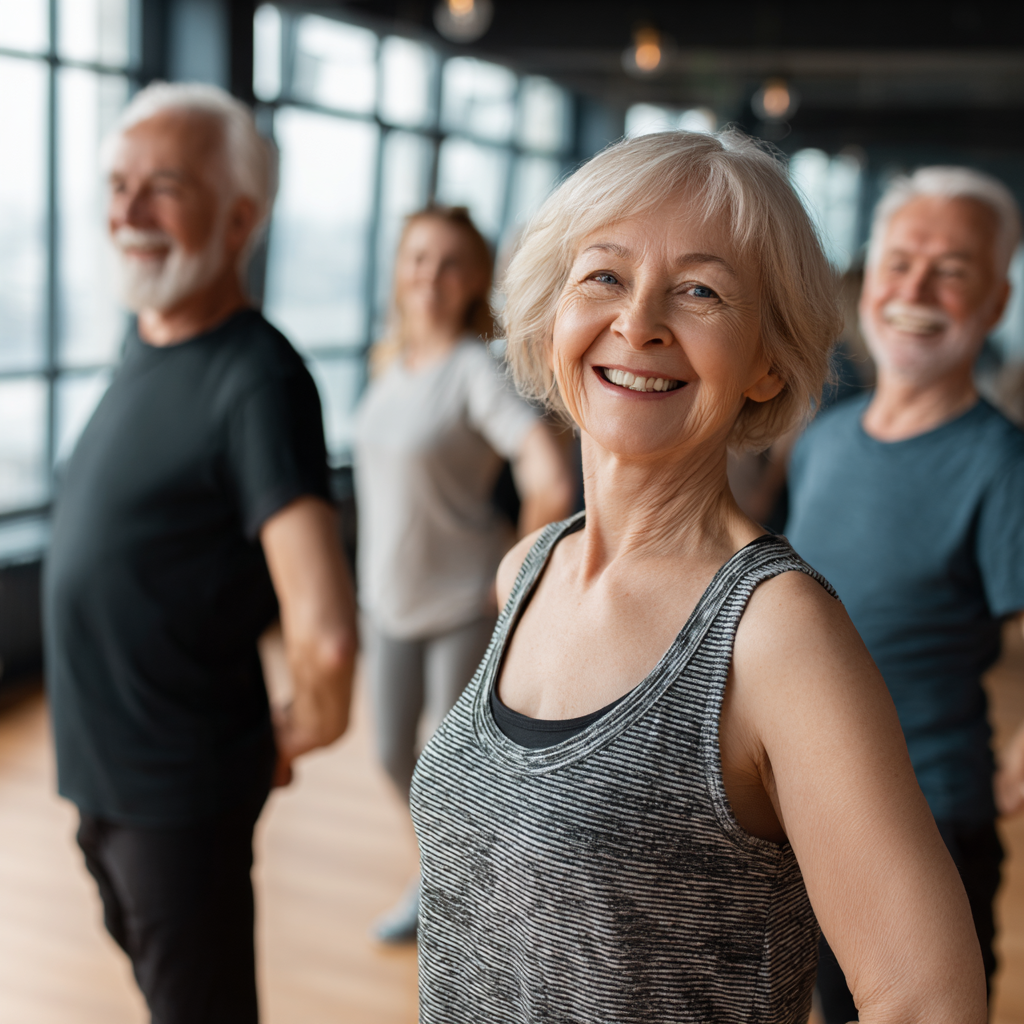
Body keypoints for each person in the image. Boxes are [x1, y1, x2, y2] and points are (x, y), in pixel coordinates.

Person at [409, 130, 986, 1024]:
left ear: (766, 360)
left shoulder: (775, 634)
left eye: (700, 291)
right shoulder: (527, 571)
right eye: (602, 276)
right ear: (550, 310)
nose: (638, 323)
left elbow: (928, 999)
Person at [43, 83, 358, 1024]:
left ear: (239, 219)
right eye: (118, 184)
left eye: (163, 187)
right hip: (106, 773)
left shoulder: (257, 379)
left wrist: (294, 731)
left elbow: (328, 635)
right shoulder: (141, 342)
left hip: (179, 789)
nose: (128, 212)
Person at [785, 166, 1024, 1022]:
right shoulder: (825, 440)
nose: (916, 288)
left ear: (995, 303)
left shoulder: (1001, 464)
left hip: (931, 814)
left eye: (951, 270)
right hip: (810, 810)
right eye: (898, 262)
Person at [353, 204, 575, 942]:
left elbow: (547, 477)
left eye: (450, 262)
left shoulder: (475, 370)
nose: (430, 276)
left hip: (458, 601)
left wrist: (516, 573)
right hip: (387, 600)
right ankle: (443, 874)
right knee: (392, 754)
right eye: (417, 258)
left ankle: (459, 899)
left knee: (452, 774)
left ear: (475, 278)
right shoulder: (389, 364)